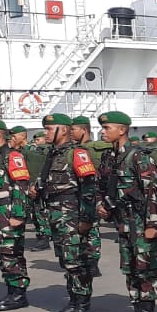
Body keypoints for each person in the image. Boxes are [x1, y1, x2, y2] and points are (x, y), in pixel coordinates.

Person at [96, 111, 157, 312]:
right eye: (103, 128)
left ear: (122, 130)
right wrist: (101, 206)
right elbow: (101, 187)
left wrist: (153, 224)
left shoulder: (138, 156)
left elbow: (152, 191)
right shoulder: (109, 157)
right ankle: (137, 311)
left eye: (107, 128)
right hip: (122, 221)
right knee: (130, 267)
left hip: (139, 220)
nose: (103, 132)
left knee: (145, 267)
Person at [31, 113, 98, 312]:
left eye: (50, 129)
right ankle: (73, 300)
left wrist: (86, 218)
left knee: (76, 260)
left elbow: (89, 188)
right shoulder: (52, 154)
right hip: (56, 213)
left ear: (64, 130)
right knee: (65, 259)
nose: (46, 133)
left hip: (72, 214)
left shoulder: (77, 153)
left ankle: (83, 303)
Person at [0, 121, 31, 311]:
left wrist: (18, 215)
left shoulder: (12, 156)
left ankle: (17, 294)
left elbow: (22, 186)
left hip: (7, 212)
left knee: (10, 253)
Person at [69, 115, 103, 278]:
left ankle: (92, 261)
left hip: (91, 193)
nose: (70, 132)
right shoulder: (73, 149)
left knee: (91, 228)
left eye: (73, 129)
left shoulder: (89, 149)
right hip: (78, 196)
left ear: (84, 130)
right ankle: (86, 258)